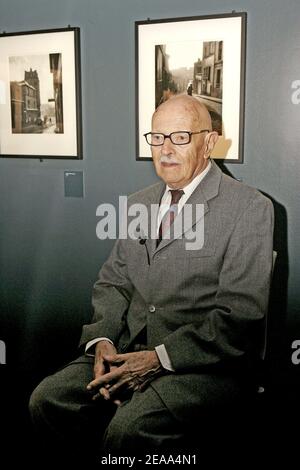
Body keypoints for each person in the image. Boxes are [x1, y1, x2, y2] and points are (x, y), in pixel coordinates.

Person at [29, 95, 274, 461]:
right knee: (47, 400)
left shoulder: (250, 208)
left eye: (179, 137)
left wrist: (157, 359)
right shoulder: (139, 203)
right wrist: (103, 341)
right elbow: (113, 282)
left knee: (130, 432)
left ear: (209, 142)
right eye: (157, 138)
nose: (165, 150)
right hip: (126, 348)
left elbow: (239, 318)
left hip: (202, 366)